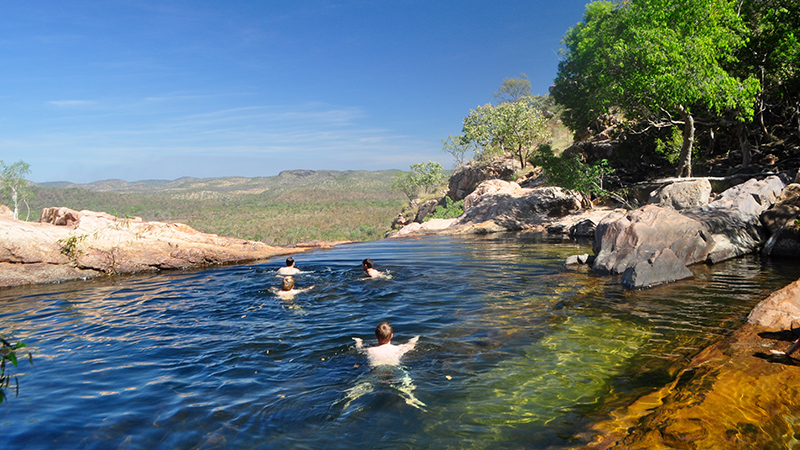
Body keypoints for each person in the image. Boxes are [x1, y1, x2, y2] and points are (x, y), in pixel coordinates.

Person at [353, 322, 419, 366]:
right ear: (391, 336)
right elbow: (411, 345)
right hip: (393, 365)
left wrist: (358, 342)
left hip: (376, 367)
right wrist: (415, 339)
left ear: (376, 336)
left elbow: (359, 349)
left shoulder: (371, 350)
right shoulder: (398, 348)